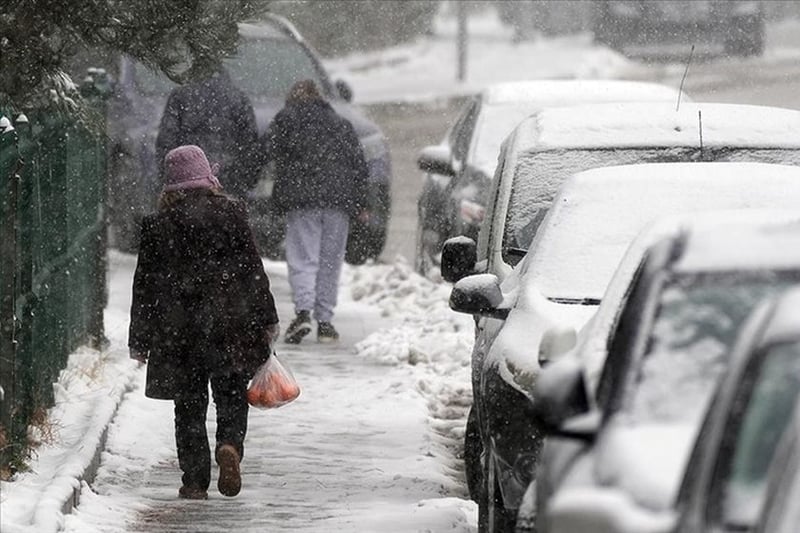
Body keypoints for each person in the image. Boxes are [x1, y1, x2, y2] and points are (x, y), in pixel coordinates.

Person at [128, 145, 280, 500]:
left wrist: (140, 337)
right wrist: (267, 317)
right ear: (208, 178)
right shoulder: (232, 214)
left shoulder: (157, 225)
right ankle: (229, 444)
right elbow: (253, 271)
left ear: (170, 184)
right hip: (231, 322)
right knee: (231, 393)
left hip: (179, 329)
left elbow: (144, 285)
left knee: (189, 405)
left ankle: (195, 480)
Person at [261, 79, 368, 345]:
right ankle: (326, 323)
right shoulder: (341, 123)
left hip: (302, 200)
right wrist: (362, 202)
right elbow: (359, 165)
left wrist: (243, 180)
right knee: (330, 262)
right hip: (339, 200)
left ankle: (303, 312)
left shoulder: (286, 120)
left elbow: (263, 152)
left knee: (303, 259)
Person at [155, 59, 260, 199]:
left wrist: (168, 179)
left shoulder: (180, 96)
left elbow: (166, 140)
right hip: (229, 179)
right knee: (226, 211)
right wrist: (246, 180)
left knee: (192, 212)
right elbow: (250, 143)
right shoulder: (239, 97)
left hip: (188, 181)